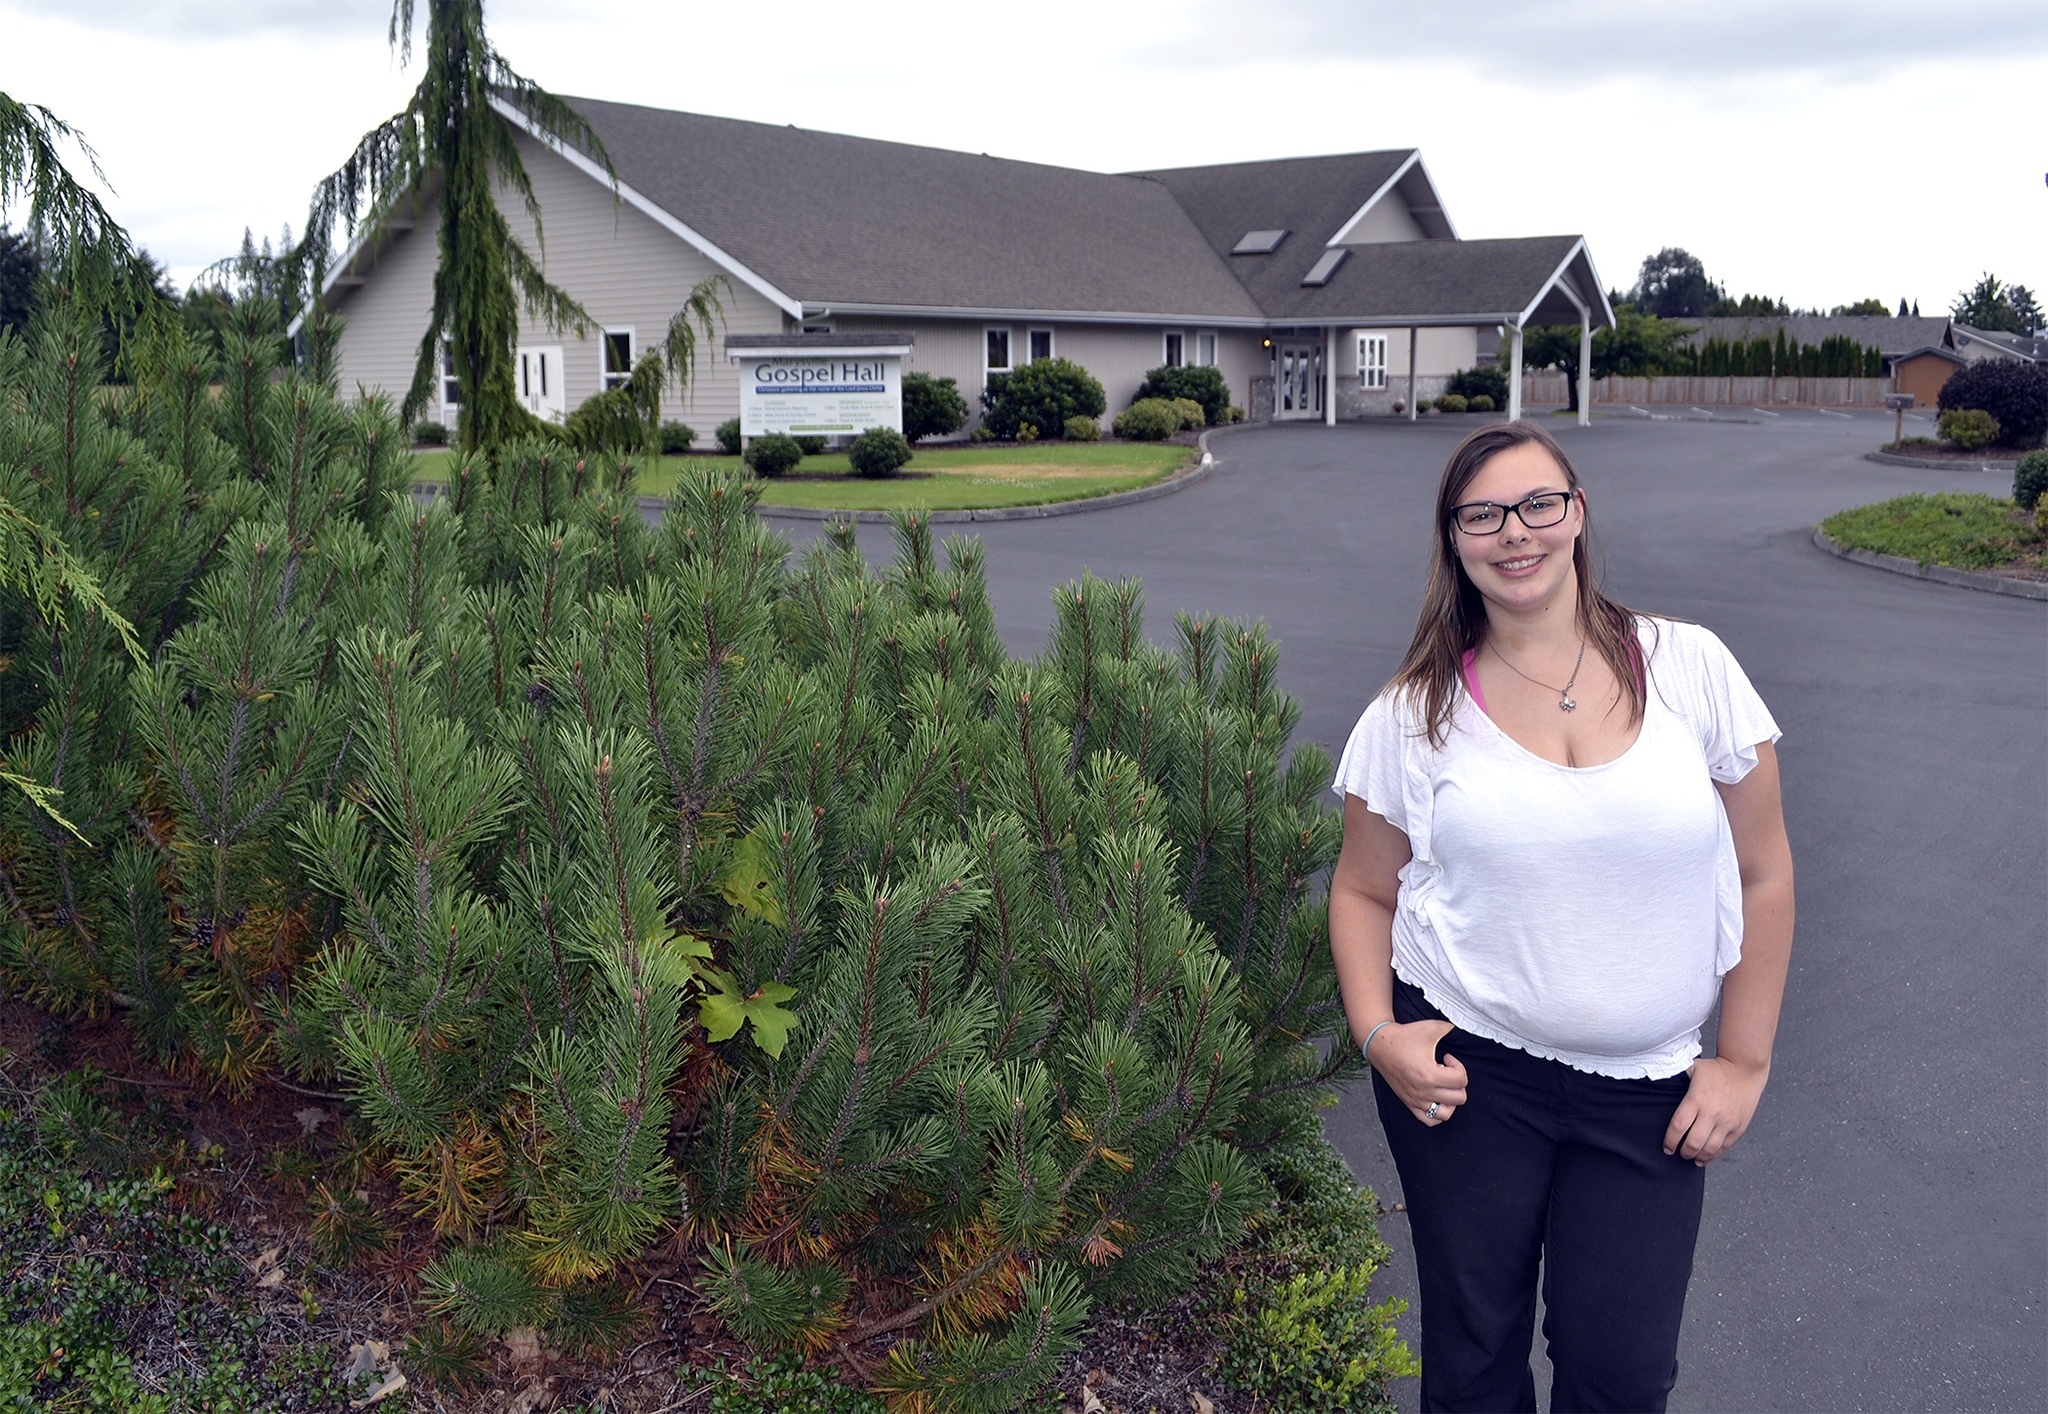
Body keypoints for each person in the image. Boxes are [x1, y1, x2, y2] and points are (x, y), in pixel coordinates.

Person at [1328, 421, 1795, 1413]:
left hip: (1646, 1091)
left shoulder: (1689, 669)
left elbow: (1762, 870)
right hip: (1468, 1076)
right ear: (1451, 541)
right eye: (1481, 515)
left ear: (1576, 514)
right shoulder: (1410, 716)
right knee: (1473, 1355)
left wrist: (1743, 1058)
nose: (1515, 532)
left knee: (1618, 1371)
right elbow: (1363, 890)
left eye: (1538, 503)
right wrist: (1378, 1035)